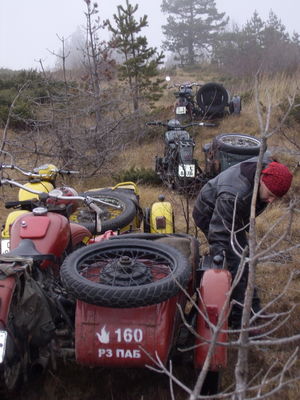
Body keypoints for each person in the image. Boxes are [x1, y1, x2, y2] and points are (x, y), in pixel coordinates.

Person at [192, 157, 293, 328]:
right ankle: (240, 322)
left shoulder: (269, 170)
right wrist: (222, 258)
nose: (271, 201)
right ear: (261, 180)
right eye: (270, 195)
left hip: (233, 216)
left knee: (247, 258)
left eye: (275, 197)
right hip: (210, 214)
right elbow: (220, 234)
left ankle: (253, 310)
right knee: (236, 263)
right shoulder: (234, 195)